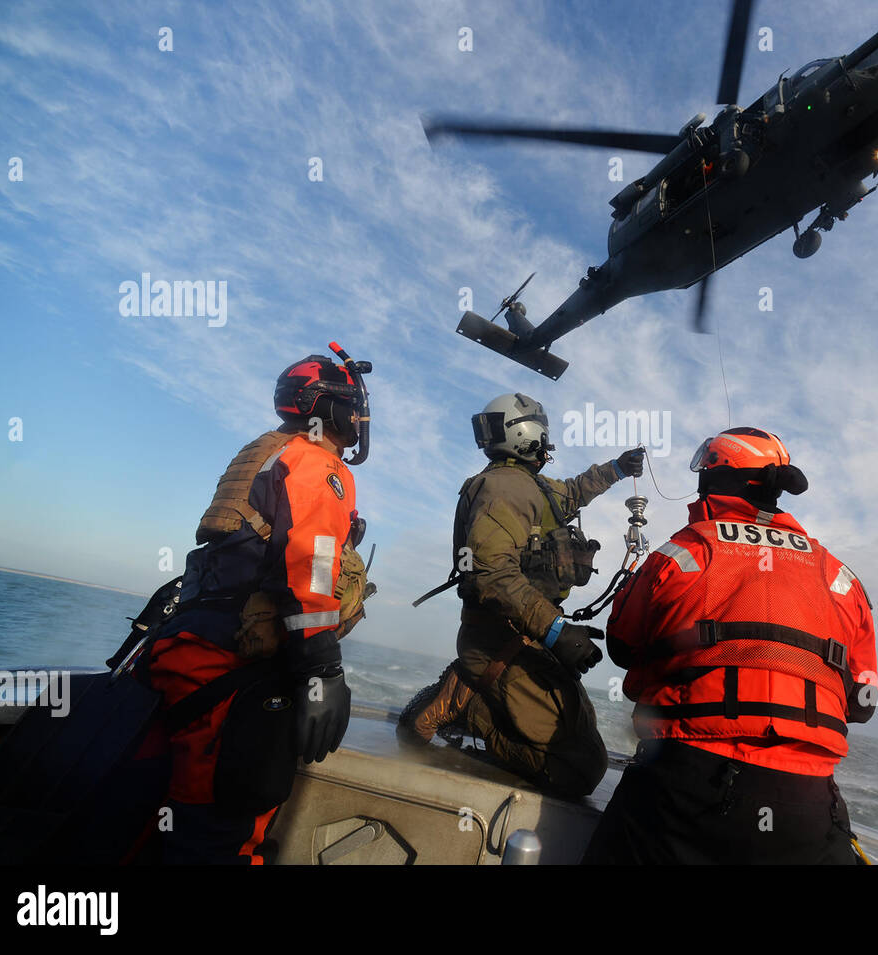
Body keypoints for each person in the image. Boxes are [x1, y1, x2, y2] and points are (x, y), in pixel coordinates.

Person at [582, 427, 878, 864]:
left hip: (682, 789)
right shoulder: (840, 577)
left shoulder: (682, 553)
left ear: (715, 481)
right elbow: (863, 704)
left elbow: (622, 646)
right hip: (807, 807)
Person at [146, 345, 374, 864]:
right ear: (325, 405)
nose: (360, 418)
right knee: (222, 833)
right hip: (230, 666)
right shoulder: (318, 464)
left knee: (175, 814)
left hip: (187, 641)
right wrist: (323, 672)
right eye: (353, 405)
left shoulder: (269, 450)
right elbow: (311, 564)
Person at [400, 392, 644, 799]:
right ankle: (464, 704)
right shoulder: (503, 489)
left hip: (524, 637)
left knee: (586, 743)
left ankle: (482, 698)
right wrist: (557, 632)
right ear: (529, 433)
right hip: (499, 643)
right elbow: (491, 573)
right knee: (578, 772)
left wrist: (617, 469)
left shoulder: (527, 485)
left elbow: (572, 492)